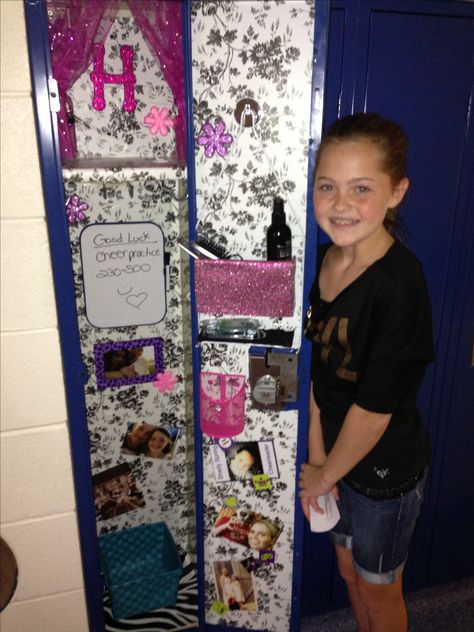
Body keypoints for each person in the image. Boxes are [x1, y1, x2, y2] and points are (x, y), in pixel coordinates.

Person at [299, 113, 433, 632]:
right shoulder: (328, 261)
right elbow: (320, 373)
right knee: (346, 572)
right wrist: (317, 461)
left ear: (396, 192)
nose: (341, 204)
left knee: (381, 595)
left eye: (361, 188)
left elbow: (375, 413)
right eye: (327, 186)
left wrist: (324, 474)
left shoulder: (400, 286)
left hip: (383, 476)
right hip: (333, 460)